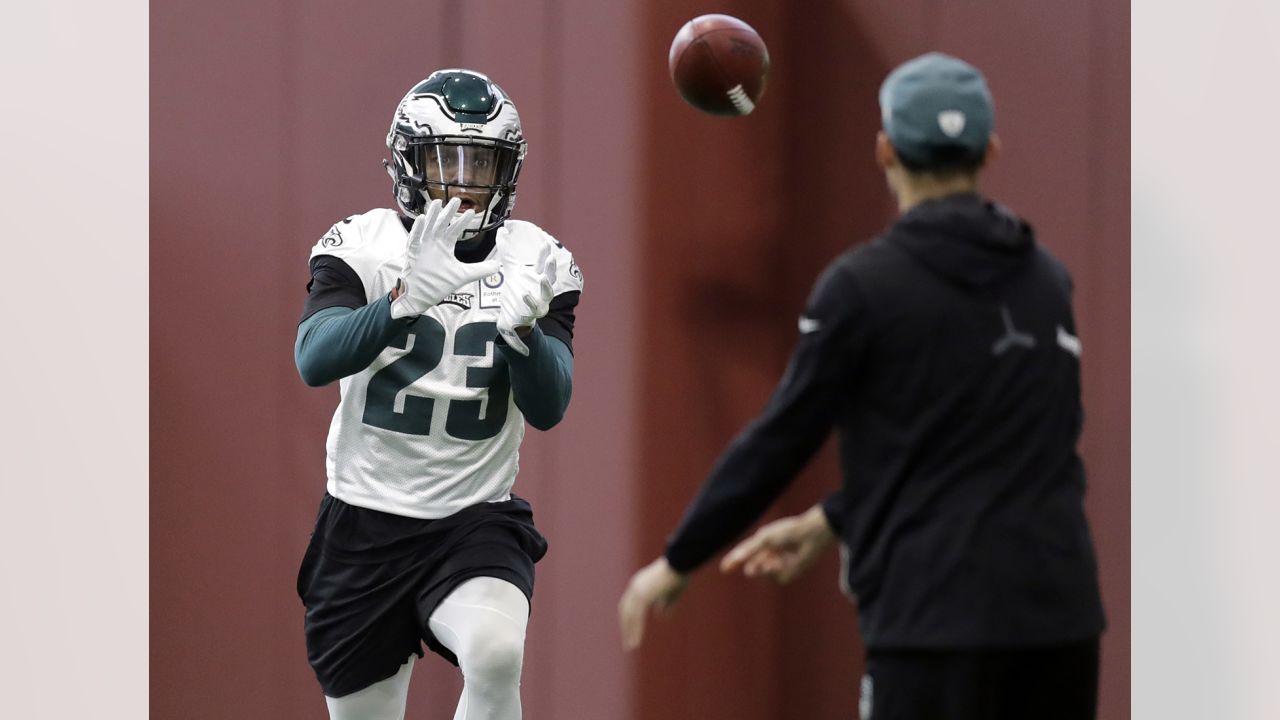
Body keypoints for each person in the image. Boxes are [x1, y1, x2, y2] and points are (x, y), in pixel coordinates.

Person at [618, 52, 1105, 720]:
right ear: (990, 148)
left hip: (933, 624)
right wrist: (833, 521)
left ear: (884, 149)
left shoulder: (863, 288)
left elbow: (782, 438)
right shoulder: (1047, 281)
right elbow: (1003, 449)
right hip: (1059, 620)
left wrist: (678, 561)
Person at [294, 68, 583, 720]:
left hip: (473, 518)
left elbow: (550, 406)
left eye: (480, 163)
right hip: (364, 520)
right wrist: (399, 304)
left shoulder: (537, 263)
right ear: (406, 162)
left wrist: (523, 338)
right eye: (443, 161)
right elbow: (313, 359)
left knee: (495, 650)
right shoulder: (363, 247)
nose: (461, 182)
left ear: (507, 171)